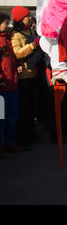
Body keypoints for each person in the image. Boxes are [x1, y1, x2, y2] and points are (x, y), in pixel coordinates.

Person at [10, 6, 41, 148]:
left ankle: (32, 134)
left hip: (34, 74)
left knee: (32, 107)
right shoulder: (15, 35)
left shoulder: (30, 30)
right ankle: (24, 137)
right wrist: (33, 46)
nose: (30, 17)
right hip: (24, 78)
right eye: (27, 16)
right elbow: (17, 53)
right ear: (21, 19)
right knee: (24, 110)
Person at [0, 12, 23, 158]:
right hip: (2, 86)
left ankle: (10, 142)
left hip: (13, 83)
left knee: (12, 116)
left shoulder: (7, 40)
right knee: (1, 118)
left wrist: (18, 64)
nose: (8, 25)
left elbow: (11, 59)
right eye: (5, 23)